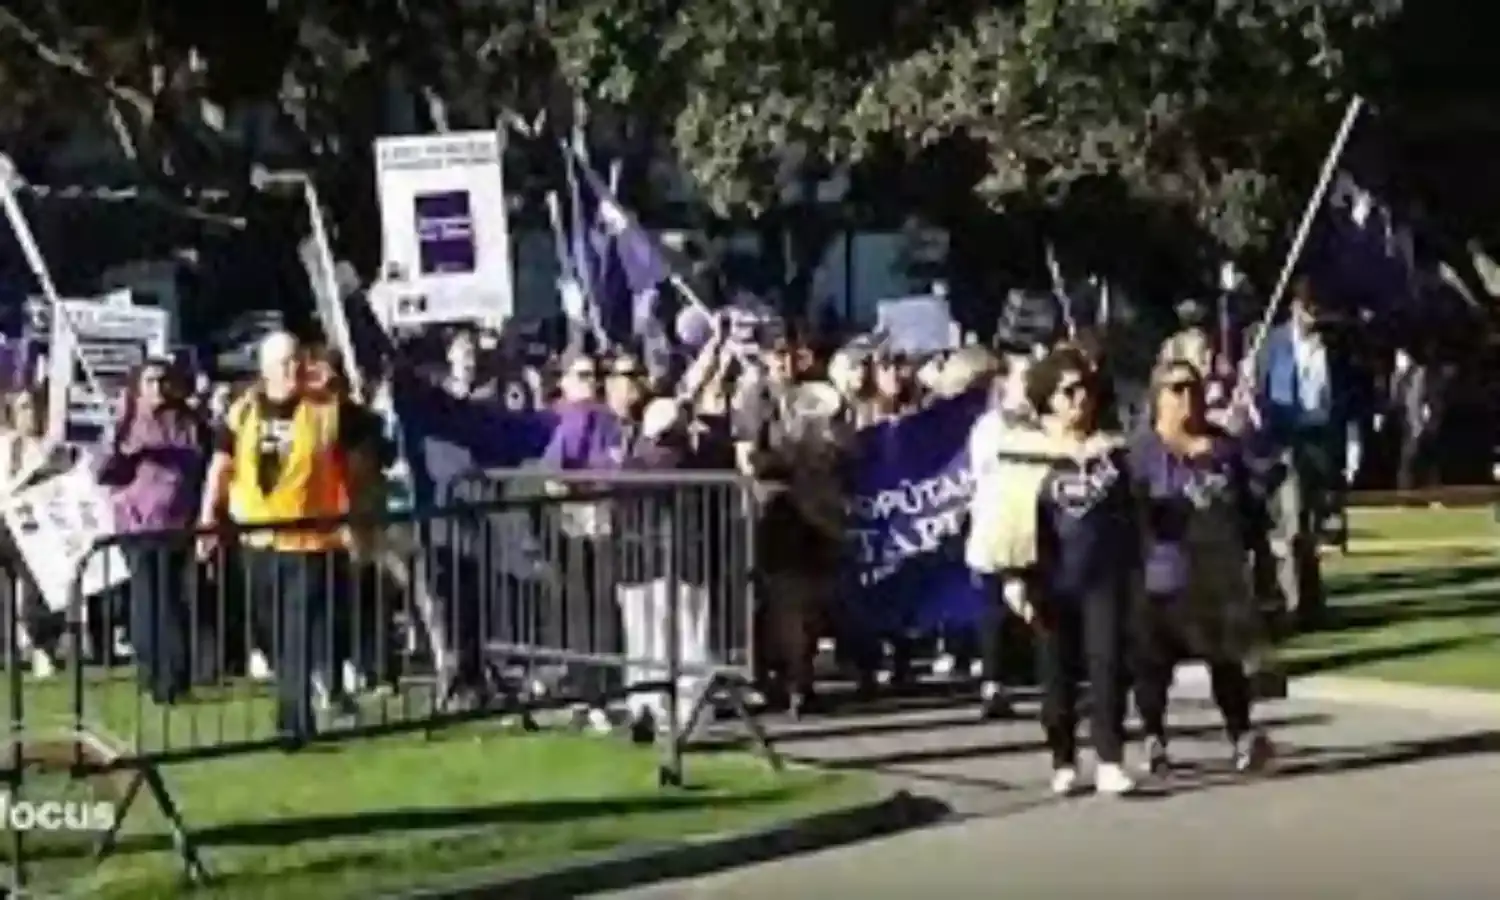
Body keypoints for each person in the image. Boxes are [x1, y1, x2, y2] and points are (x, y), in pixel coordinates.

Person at [197, 331, 384, 745]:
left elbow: (363, 464)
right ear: (264, 370)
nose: (293, 369)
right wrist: (208, 516)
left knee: (298, 629)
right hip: (257, 544)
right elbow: (221, 466)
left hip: (309, 544)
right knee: (270, 632)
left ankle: (296, 723)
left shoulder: (329, 411)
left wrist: (359, 520)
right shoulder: (241, 410)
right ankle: (291, 706)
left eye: (298, 360)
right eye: (284, 363)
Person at [967, 346, 1138, 795]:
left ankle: (1109, 757)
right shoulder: (1023, 452)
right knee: (1057, 675)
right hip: (1050, 578)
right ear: (1048, 398)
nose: (1080, 398)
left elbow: (1133, 513)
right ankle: (1063, 757)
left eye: (1085, 389)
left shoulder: (1112, 451)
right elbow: (1004, 520)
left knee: (1108, 667)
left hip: (1105, 577)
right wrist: (1011, 578)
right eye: (1068, 391)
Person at [1130, 359, 1273, 775]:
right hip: (1160, 575)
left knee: (1226, 662)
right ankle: (1153, 735)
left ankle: (1241, 734)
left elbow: (1252, 506)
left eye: (1193, 388)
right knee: (1153, 667)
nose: (1187, 397)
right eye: (1176, 389)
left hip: (1216, 575)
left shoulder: (1224, 447)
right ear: (1157, 397)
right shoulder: (1140, 453)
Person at [96, 358, 211, 704]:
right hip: (140, 524)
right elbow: (104, 470)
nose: (158, 388)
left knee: (178, 600)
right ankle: (156, 677)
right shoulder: (128, 422)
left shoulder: (186, 421)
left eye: (163, 380)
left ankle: (176, 676)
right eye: (149, 381)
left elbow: (202, 461)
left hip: (180, 523)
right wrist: (120, 448)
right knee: (150, 601)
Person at [1255, 278, 1360, 630]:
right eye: (1308, 310)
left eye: (1318, 311)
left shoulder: (1334, 345)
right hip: (1287, 441)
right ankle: (1294, 603)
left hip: (1322, 441)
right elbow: (1258, 390)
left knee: (1314, 525)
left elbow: (1345, 395)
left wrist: (1349, 441)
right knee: (1293, 522)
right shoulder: (1273, 344)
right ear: (1295, 308)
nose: (1314, 318)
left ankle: (1313, 602)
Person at [541, 348, 627, 730]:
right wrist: (578, 503)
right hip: (583, 522)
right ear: (565, 381)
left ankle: (602, 689)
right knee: (586, 608)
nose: (591, 380)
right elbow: (553, 472)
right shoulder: (573, 418)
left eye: (594, 374)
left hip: (607, 518)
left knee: (604, 607)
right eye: (582, 374)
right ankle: (590, 693)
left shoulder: (607, 416)